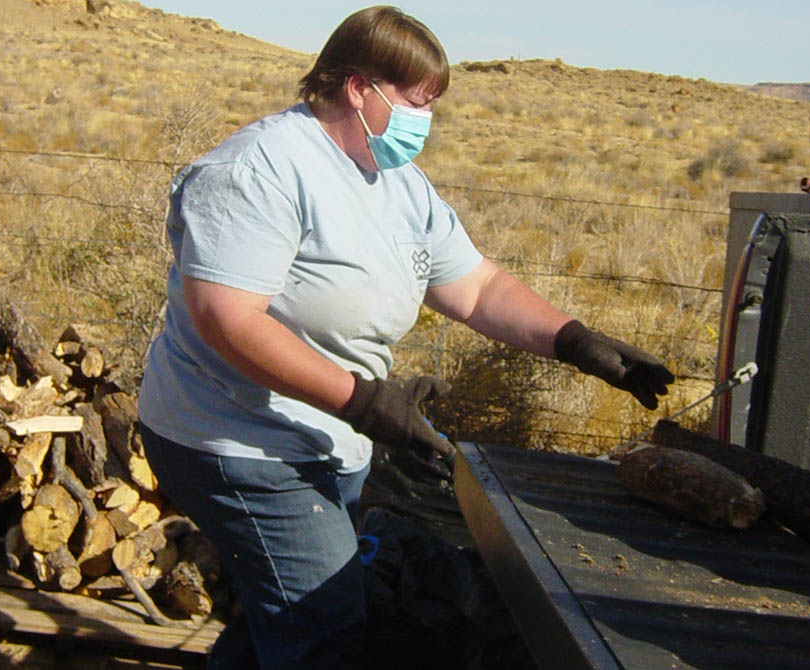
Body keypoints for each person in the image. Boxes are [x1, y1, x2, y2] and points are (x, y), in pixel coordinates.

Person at [137, 5, 674, 669]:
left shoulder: (397, 184)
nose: (426, 119)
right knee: (321, 630)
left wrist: (572, 339)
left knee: (285, 613)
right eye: (416, 101)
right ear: (357, 88)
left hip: (329, 435)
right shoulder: (261, 170)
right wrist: (362, 401)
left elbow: (475, 286)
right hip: (240, 440)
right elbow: (227, 317)